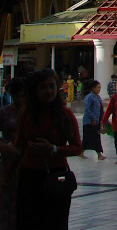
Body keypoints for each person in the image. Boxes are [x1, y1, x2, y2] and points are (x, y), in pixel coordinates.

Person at [14, 68, 82, 230]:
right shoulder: (26, 114)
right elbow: (19, 145)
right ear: (34, 90)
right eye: (43, 87)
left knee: (55, 222)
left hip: (56, 175)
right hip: (29, 176)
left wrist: (53, 149)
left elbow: (77, 147)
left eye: (52, 86)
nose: (49, 91)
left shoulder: (65, 114)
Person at [0, 78, 25, 230]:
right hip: (9, 163)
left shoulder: (32, 113)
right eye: (18, 95)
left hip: (29, 163)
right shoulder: (4, 112)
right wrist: (4, 147)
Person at [79, 80, 106, 160]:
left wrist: (104, 119)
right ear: (93, 88)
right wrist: (93, 118)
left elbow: (101, 110)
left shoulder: (98, 98)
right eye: (98, 87)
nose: (99, 89)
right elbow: (87, 109)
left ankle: (98, 154)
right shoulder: (89, 97)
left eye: (100, 88)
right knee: (88, 138)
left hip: (96, 122)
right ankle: (82, 152)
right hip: (89, 122)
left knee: (96, 137)